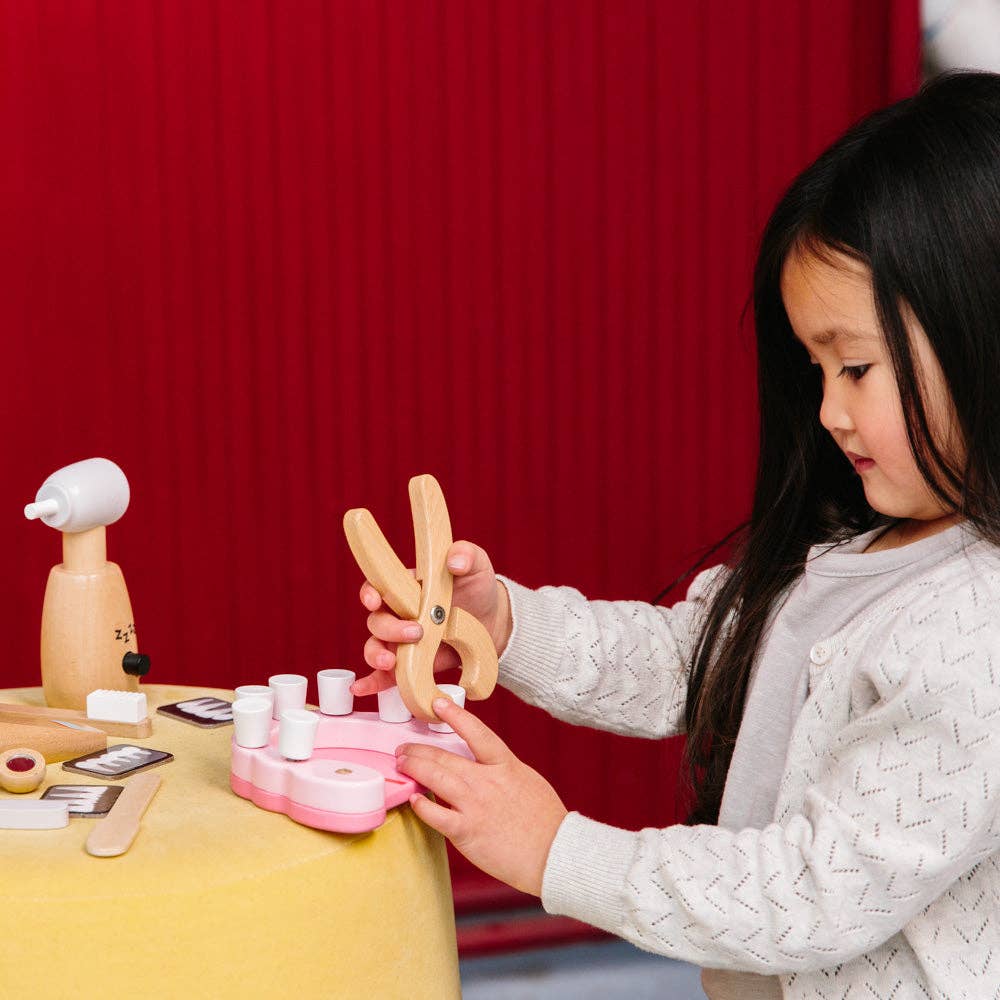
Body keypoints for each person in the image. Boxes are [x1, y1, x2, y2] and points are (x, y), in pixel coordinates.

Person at [350, 70, 1000, 999]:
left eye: (855, 368)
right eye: (816, 370)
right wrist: (502, 624)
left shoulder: (978, 631)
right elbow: (686, 662)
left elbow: (816, 890)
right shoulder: (853, 551)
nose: (828, 412)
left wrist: (556, 851)